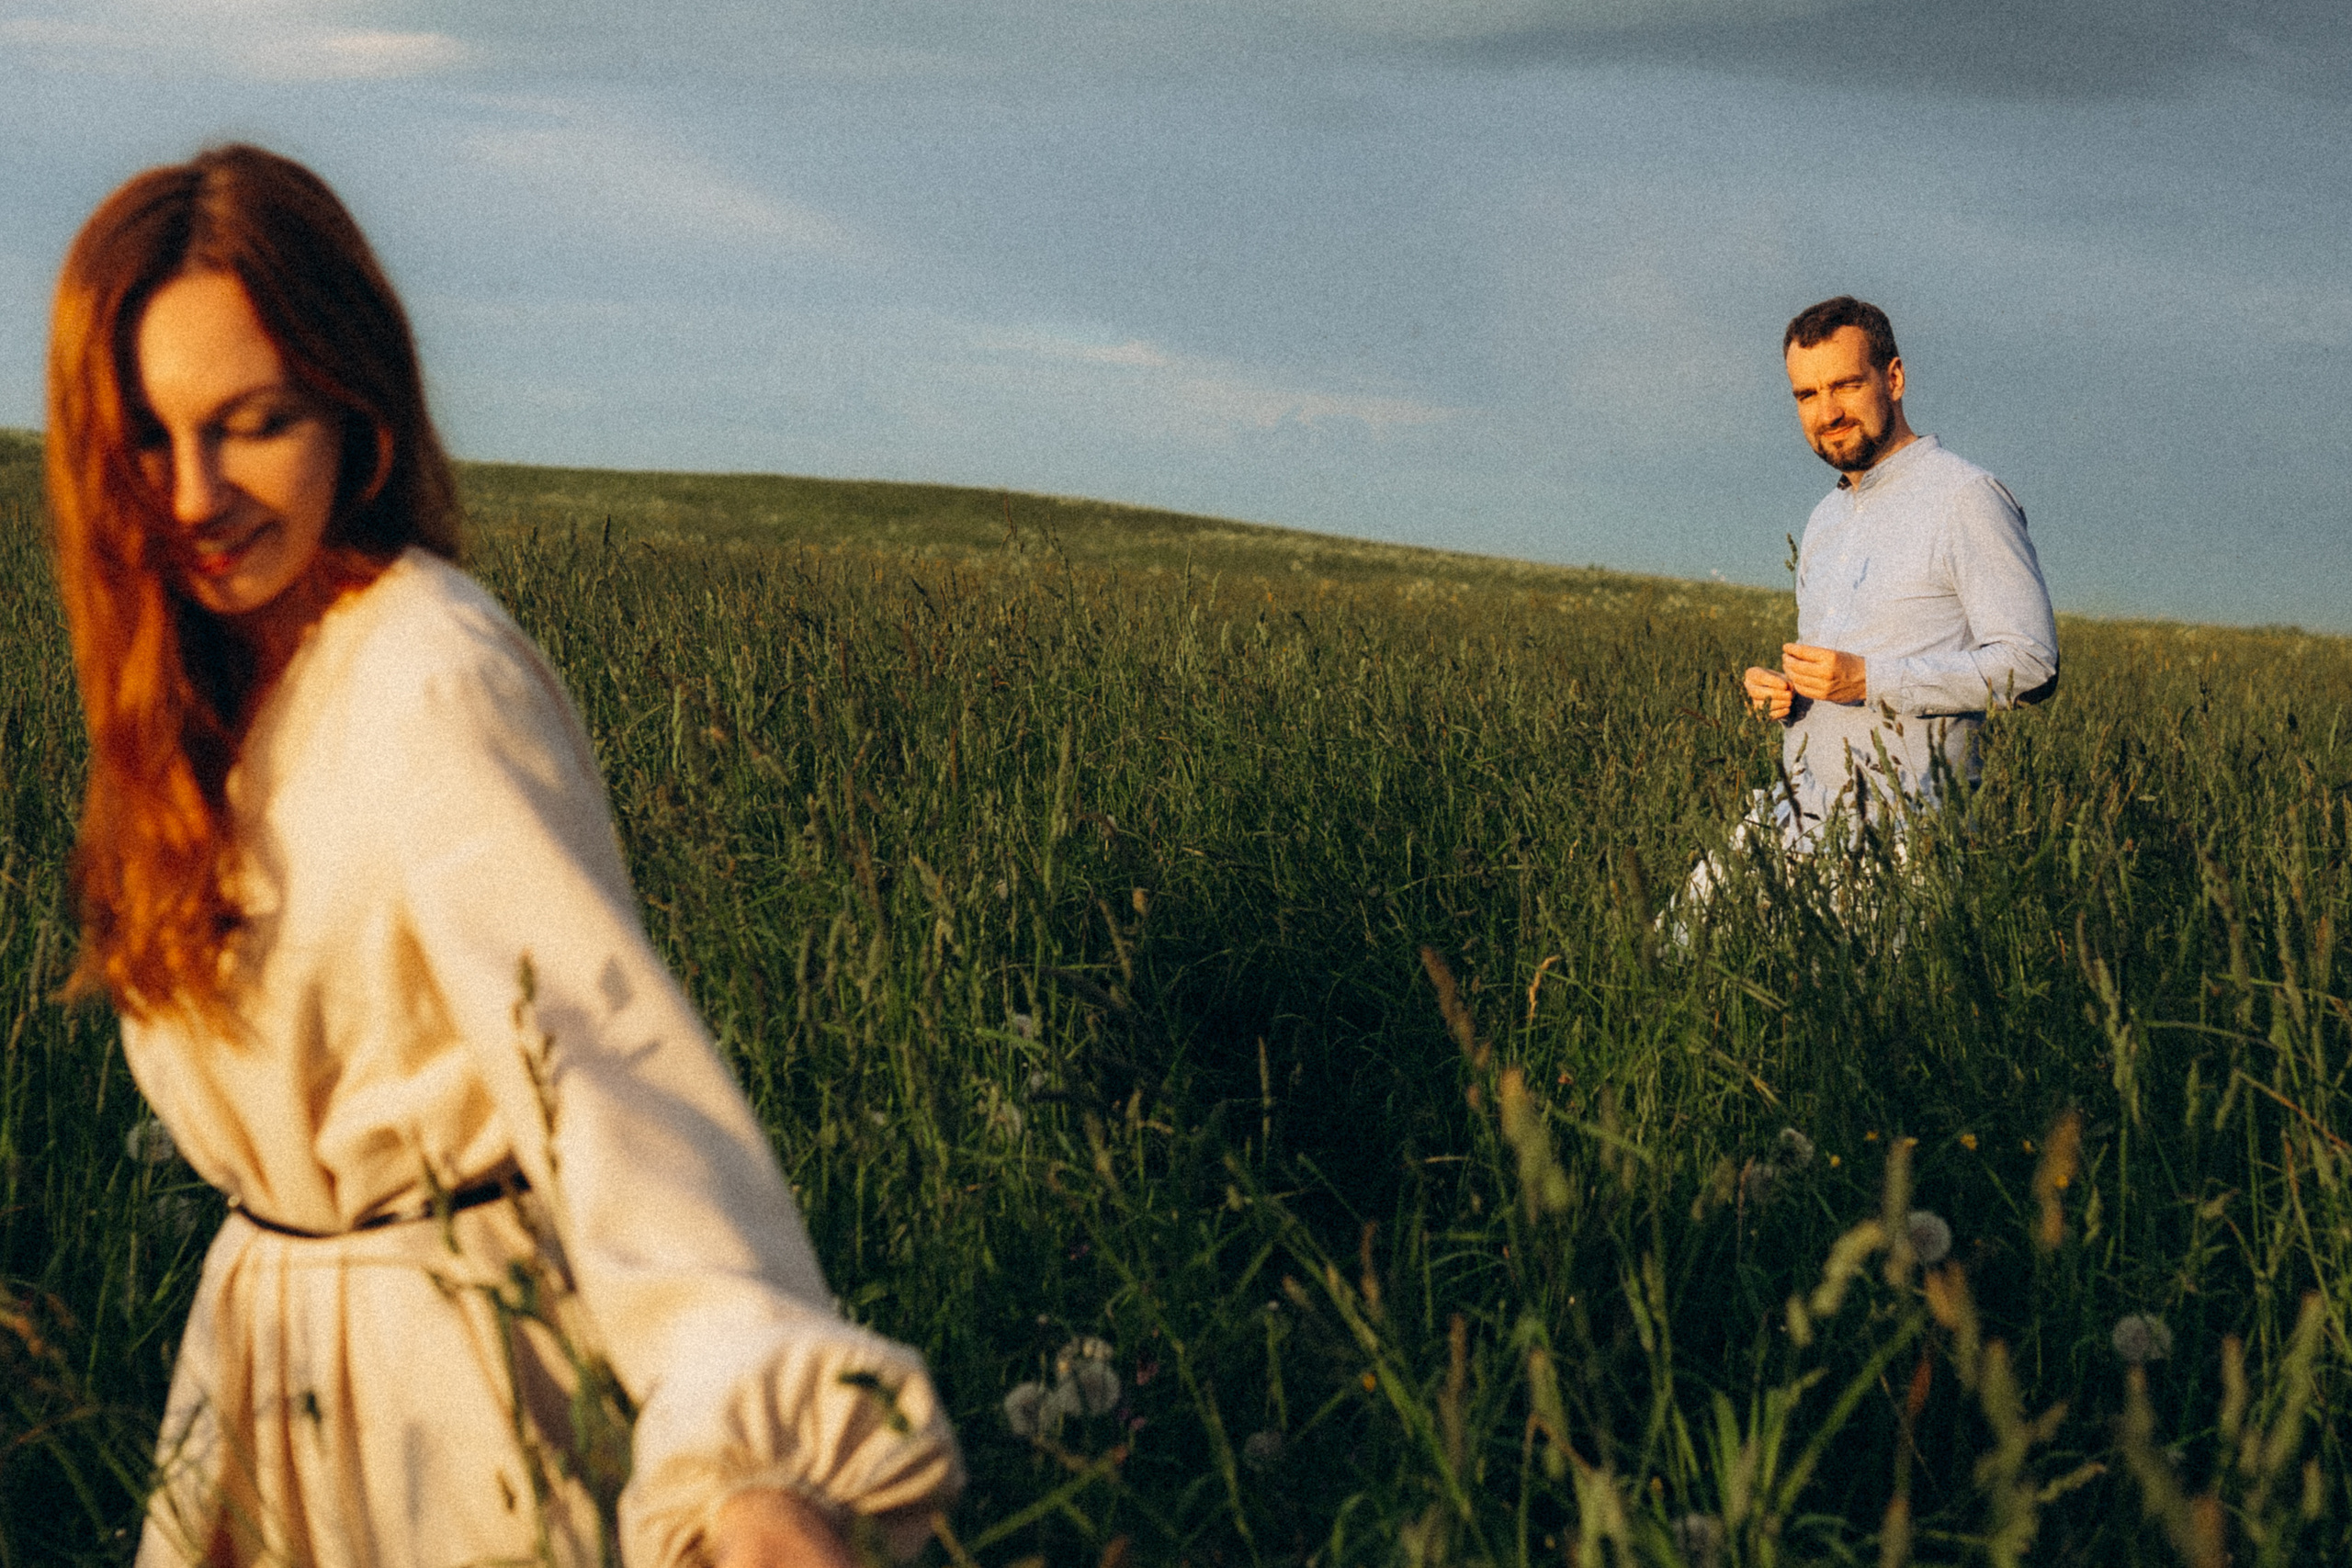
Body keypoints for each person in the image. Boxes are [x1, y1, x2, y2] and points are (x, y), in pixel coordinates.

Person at [47, 144, 961, 1567]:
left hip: (453, 1399)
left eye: (255, 421)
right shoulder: (195, 698)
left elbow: (607, 1073)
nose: (196, 493)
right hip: (261, 1389)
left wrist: (750, 1453)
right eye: (152, 440)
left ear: (358, 413)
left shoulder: (428, 670)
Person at [1738, 295, 2058, 846]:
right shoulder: (1825, 517)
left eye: (1845, 386)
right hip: (1791, 811)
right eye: (1807, 395)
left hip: (1902, 832)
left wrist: (1871, 680)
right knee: (1666, 936)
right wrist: (1787, 695)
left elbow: (2032, 667)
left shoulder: (1966, 498)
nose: (1827, 412)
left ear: (1894, 378)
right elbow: (1843, 667)